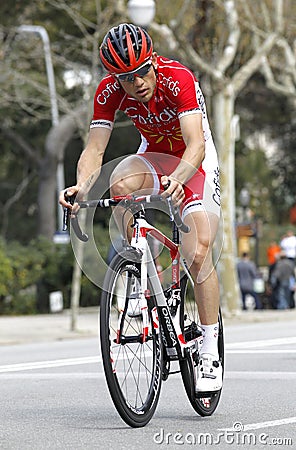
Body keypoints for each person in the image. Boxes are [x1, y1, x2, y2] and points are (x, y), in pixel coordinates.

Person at [59, 23, 222, 392]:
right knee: (118, 184)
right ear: (115, 78)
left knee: (198, 253)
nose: (136, 83)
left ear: (152, 61)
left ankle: (210, 348)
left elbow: (195, 144)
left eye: (141, 72)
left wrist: (180, 180)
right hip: (154, 156)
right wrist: (82, 186)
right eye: (125, 78)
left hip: (192, 160)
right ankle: (139, 272)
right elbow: (95, 149)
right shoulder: (109, 92)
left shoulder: (177, 78)